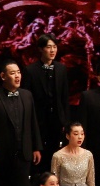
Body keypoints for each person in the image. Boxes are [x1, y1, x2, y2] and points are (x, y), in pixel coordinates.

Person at [23, 33, 70, 166]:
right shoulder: (30, 71)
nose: (52, 50)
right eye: (49, 47)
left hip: (57, 121)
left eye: (54, 47)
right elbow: (26, 99)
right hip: (38, 121)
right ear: (40, 49)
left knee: (55, 158)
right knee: (40, 160)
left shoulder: (61, 69)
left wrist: (66, 122)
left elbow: (64, 98)